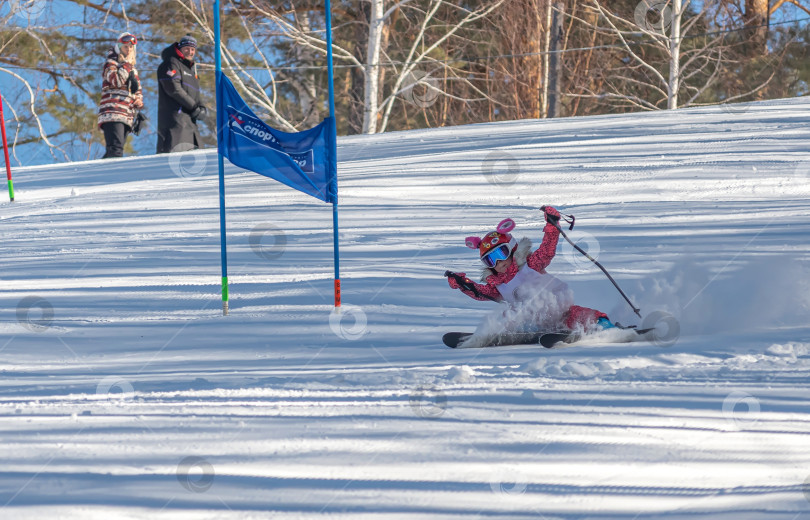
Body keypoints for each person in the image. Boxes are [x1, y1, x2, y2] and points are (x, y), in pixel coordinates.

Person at [446, 206, 614, 345]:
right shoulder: (497, 285)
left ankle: (606, 327)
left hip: (561, 313)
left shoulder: (531, 265)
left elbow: (546, 251)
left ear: (512, 248)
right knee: (508, 318)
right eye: (490, 260)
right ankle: (502, 334)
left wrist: (552, 226)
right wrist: (462, 283)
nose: (498, 262)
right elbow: (480, 292)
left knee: (580, 316)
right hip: (531, 324)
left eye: (501, 253)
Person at [156, 34, 208, 154]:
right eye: (187, 48)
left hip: (191, 124)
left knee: (198, 158)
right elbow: (173, 88)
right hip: (175, 122)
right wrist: (194, 107)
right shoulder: (171, 63)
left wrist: (201, 108)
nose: (190, 52)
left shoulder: (191, 70)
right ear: (180, 48)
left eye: (192, 49)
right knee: (175, 156)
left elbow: (196, 94)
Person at [98, 32, 143, 158]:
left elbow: (137, 90)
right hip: (112, 112)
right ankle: (112, 170)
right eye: (125, 47)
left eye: (131, 47)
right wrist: (127, 65)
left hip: (127, 114)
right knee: (116, 149)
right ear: (119, 48)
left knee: (115, 149)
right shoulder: (110, 64)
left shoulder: (133, 69)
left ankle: (99, 168)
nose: (128, 49)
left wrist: (138, 100)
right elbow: (116, 81)